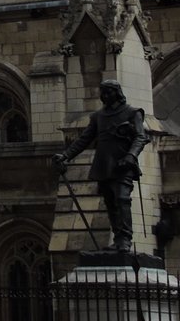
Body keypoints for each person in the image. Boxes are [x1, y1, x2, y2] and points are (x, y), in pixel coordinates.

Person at [53, 79, 149, 255]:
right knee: (110, 203)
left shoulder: (132, 112)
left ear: (117, 93)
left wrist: (131, 155)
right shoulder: (98, 116)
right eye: (102, 92)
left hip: (123, 164)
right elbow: (84, 139)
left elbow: (140, 137)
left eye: (108, 92)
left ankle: (125, 239)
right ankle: (118, 239)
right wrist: (66, 156)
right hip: (104, 164)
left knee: (122, 199)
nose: (104, 95)